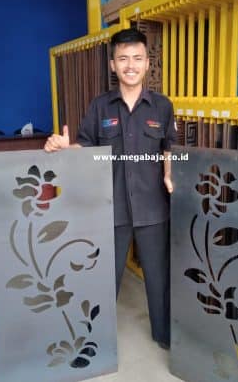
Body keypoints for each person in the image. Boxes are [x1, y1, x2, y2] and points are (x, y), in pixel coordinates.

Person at [45, 28, 177, 349]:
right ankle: (96, 341)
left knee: (159, 278)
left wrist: (170, 175)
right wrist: (64, 148)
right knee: (104, 278)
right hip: (112, 207)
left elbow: (169, 148)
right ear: (113, 65)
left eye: (137, 58)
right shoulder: (100, 106)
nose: (131, 65)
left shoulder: (162, 106)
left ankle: (164, 335)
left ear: (147, 64)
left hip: (152, 207)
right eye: (123, 58)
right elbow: (85, 146)